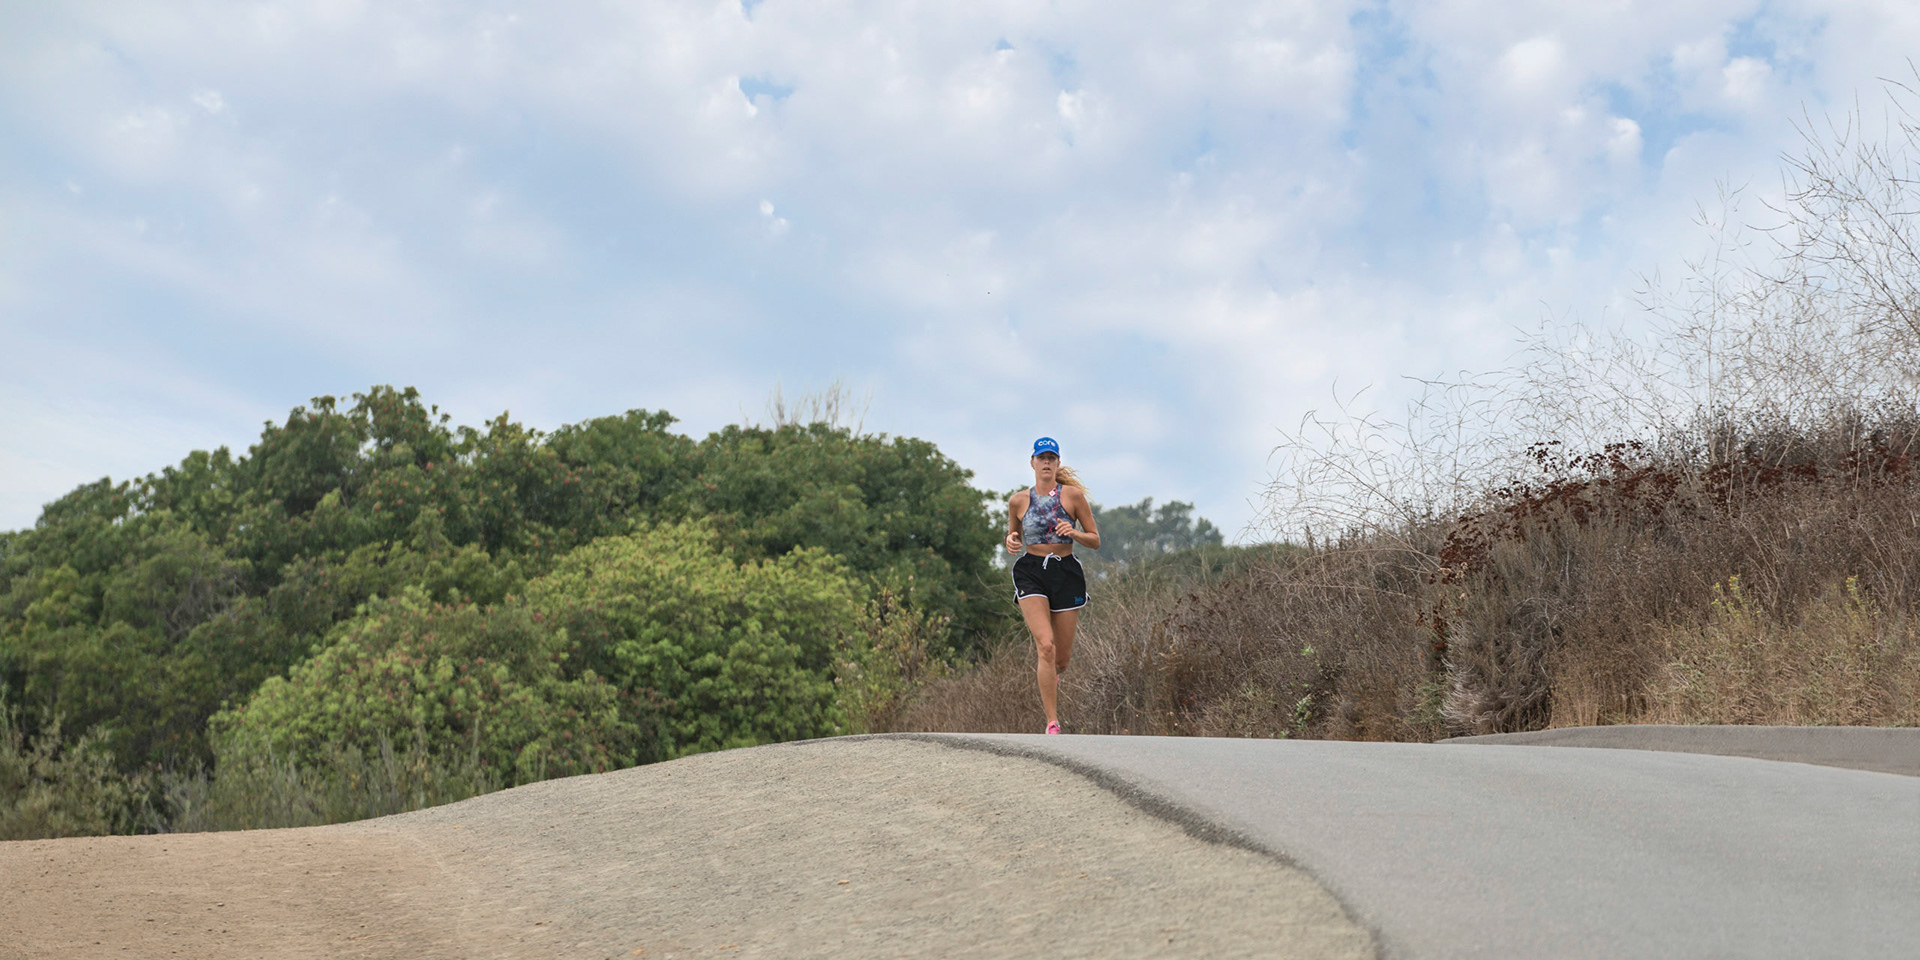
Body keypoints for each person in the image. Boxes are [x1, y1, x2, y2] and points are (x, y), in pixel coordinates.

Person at [1005, 437, 1100, 735]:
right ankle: (1052, 722)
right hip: (1031, 572)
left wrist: (1073, 531)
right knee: (1045, 646)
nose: (1046, 463)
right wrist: (1011, 540)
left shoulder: (1072, 497)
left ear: (1058, 463)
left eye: (1051, 458)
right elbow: (1014, 536)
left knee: (1061, 658)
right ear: (1032, 463)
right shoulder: (1018, 500)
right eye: (1041, 458)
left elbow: (1094, 540)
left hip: (1066, 571)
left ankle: (1053, 674)